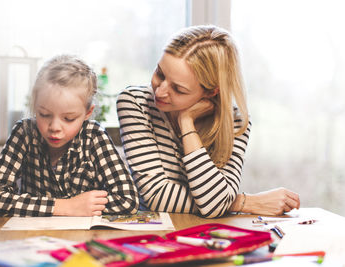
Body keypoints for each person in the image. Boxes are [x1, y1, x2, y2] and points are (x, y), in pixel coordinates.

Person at [116, 25, 300, 218]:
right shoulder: (135, 102)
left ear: (211, 92)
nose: (160, 91)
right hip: (153, 232)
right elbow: (156, 196)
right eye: (160, 73)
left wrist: (186, 122)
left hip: (203, 233)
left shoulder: (234, 122)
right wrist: (244, 202)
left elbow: (216, 204)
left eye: (178, 89)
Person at [0, 54, 139, 216]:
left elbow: (128, 200)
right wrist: (67, 207)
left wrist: (85, 207)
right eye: (44, 114)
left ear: (87, 113)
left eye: (68, 119)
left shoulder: (94, 136)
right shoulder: (24, 132)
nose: (55, 127)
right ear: (35, 106)